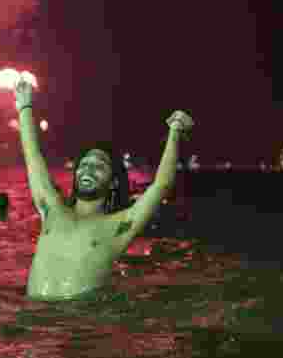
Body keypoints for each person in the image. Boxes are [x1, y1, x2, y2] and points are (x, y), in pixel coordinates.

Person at [12, 77, 194, 300]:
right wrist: (24, 106)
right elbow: (33, 158)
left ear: (114, 181)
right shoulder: (52, 211)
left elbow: (161, 185)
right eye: (85, 164)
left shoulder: (118, 226)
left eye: (99, 166)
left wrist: (175, 132)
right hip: (30, 320)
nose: (88, 170)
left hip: (75, 325)